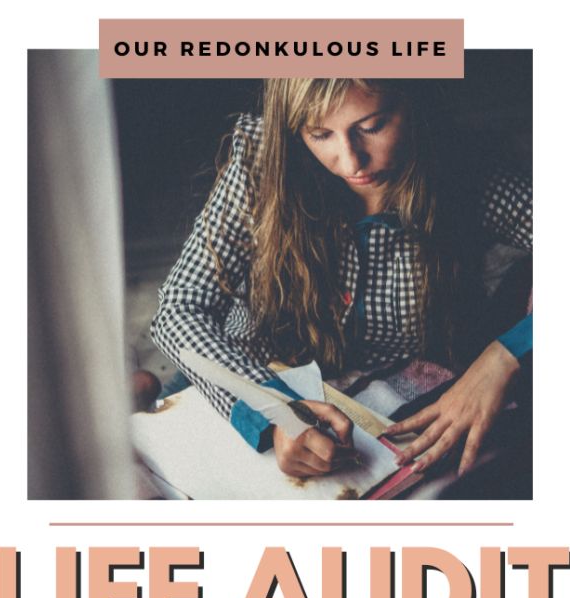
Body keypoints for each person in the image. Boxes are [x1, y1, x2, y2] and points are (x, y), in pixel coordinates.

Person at [151, 78, 532, 481]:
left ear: (414, 103)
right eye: (320, 134)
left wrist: (507, 354)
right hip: (247, 371)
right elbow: (180, 307)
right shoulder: (262, 164)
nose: (351, 162)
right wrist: (276, 412)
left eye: (372, 127)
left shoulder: (467, 171)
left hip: (395, 395)